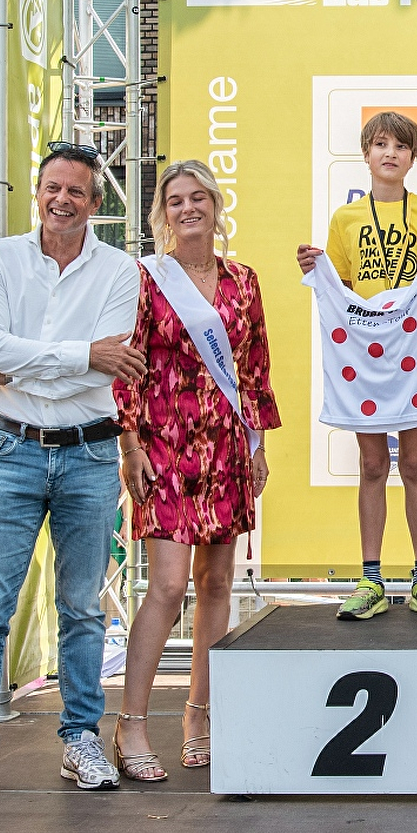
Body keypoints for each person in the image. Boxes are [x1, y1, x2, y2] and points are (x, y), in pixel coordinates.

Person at [0, 143, 145, 803]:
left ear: (95, 203)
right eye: (52, 188)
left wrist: (18, 366)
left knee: (82, 610)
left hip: (89, 454)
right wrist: (80, 356)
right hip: (9, 449)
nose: (61, 200)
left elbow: (106, 366)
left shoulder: (120, 271)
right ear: (37, 193)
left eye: (75, 191)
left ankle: (80, 740)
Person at [110, 160, 281, 780]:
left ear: (215, 205)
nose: (188, 208)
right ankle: (131, 725)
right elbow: (127, 363)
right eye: (176, 200)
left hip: (226, 447)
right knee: (165, 585)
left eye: (198, 198)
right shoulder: (145, 279)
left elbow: (254, 367)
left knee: (216, 583)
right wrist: (130, 445)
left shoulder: (243, 280)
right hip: (163, 447)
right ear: (163, 214)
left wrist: (258, 446)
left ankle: (199, 716)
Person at [297, 112, 417, 620]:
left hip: (414, 352)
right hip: (365, 355)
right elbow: (341, 294)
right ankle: (370, 579)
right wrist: (314, 270)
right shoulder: (345, 220)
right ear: (366, 154)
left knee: (414, 463)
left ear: (413, 158)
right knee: (372, 465)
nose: (390, 153)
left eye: (400, 146)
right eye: (380, 144)